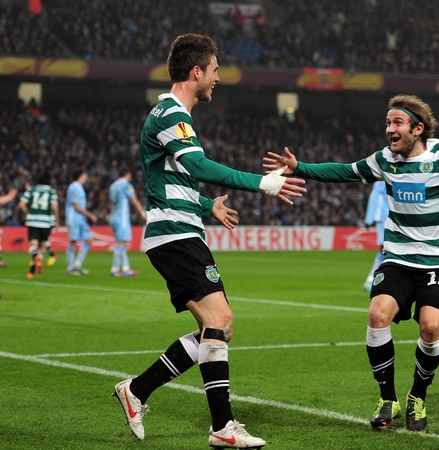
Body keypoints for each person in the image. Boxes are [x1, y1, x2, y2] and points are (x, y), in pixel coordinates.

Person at [264, 94, 439, 432]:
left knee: (430, 328)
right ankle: (388, 399)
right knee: (376, 314)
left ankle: (417, 395)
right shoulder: (385, 160)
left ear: (418, 128)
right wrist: (301, 169)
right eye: (387, 123)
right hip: (398, 257)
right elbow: (345, 171)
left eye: (396, 123)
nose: (389, 129)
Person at [112, 33, 306, 449]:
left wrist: (206, 207)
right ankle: (222, 427)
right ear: (196, 71)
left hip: (182, 231)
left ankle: (138, 391)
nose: (218, 78)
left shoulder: (174, 117)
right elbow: (198, 164)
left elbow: (172, 180)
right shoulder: (170, 114)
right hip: (174, 236)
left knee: (215, 330)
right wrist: (262, 183)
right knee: (220, 321)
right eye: (215, 69)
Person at [18, 172, 60, 280]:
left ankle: (34, 264)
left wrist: (27, 213)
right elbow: (54, 208)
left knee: (33, 247)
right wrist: (57, 221)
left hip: (33, 221)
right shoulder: (51, 192)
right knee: (41, 247)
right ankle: (31, 272)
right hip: (46, 222)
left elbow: (21, 205)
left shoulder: (31, 190)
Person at [108, 167, 146, 277]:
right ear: (128, 175)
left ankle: (126, 269)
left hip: (113, 216)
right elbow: (134, 200)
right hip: (121, 217)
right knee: (122, 244)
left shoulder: (113, 185)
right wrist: (143, 214)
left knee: (122, 243)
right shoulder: (126, 185)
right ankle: (114, 269)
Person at [65, 169, 97, 275]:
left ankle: (77, 264)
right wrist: (90, 215)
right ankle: (70, 268)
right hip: (74, 218)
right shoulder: (73, 187)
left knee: (89, 240)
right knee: (73, 242)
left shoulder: (79, 188)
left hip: (81, 219)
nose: (86, 177)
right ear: (79, 176)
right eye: (84, 175)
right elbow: (77, 207)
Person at [363, 180, 389, 291]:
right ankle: (371, 279)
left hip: (389, 218)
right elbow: (375, 197)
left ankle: (375, 279)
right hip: (384, 218)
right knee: (385, 249)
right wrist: (369, 219)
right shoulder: (383, 180)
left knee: (387, 250)